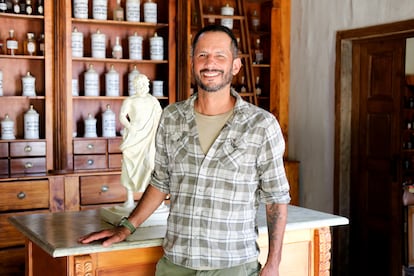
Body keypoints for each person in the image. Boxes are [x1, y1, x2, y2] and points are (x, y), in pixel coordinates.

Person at [79, 24, 291, 276]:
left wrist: (273, 263)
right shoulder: (171, 117)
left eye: (219, 55)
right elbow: (161, 182)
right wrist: (126, 227)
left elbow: (276, 199)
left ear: (235, 65)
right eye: (202, 55)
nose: (210, 63)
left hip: (233, 267)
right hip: (176, 265)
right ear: (192, 63)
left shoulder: (261, 125)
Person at [118, 72, 162, 208]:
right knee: (128, 166)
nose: (142, 87)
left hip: (149, 137)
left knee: (151, 165)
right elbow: (122, 116)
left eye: (144, 84)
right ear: (135, 86)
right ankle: (129, 199)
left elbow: (160, 116)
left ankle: (153, 202)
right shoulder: (130, 101)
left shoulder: (153, 101)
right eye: (139, 84)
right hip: (134, 137)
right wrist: (130, 127)